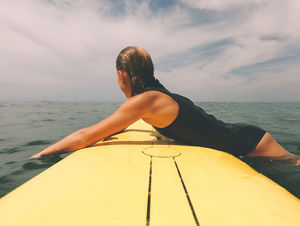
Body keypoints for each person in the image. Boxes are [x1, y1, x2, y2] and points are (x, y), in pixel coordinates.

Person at [30, 46, 300, 166]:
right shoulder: (152, 97)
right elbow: (107, 127)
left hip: (249, 143)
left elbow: (85, 136)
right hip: (244, 137)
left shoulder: (145, 100)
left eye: (116, 74)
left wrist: (41, 155)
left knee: (294, 163)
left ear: (123, 74)